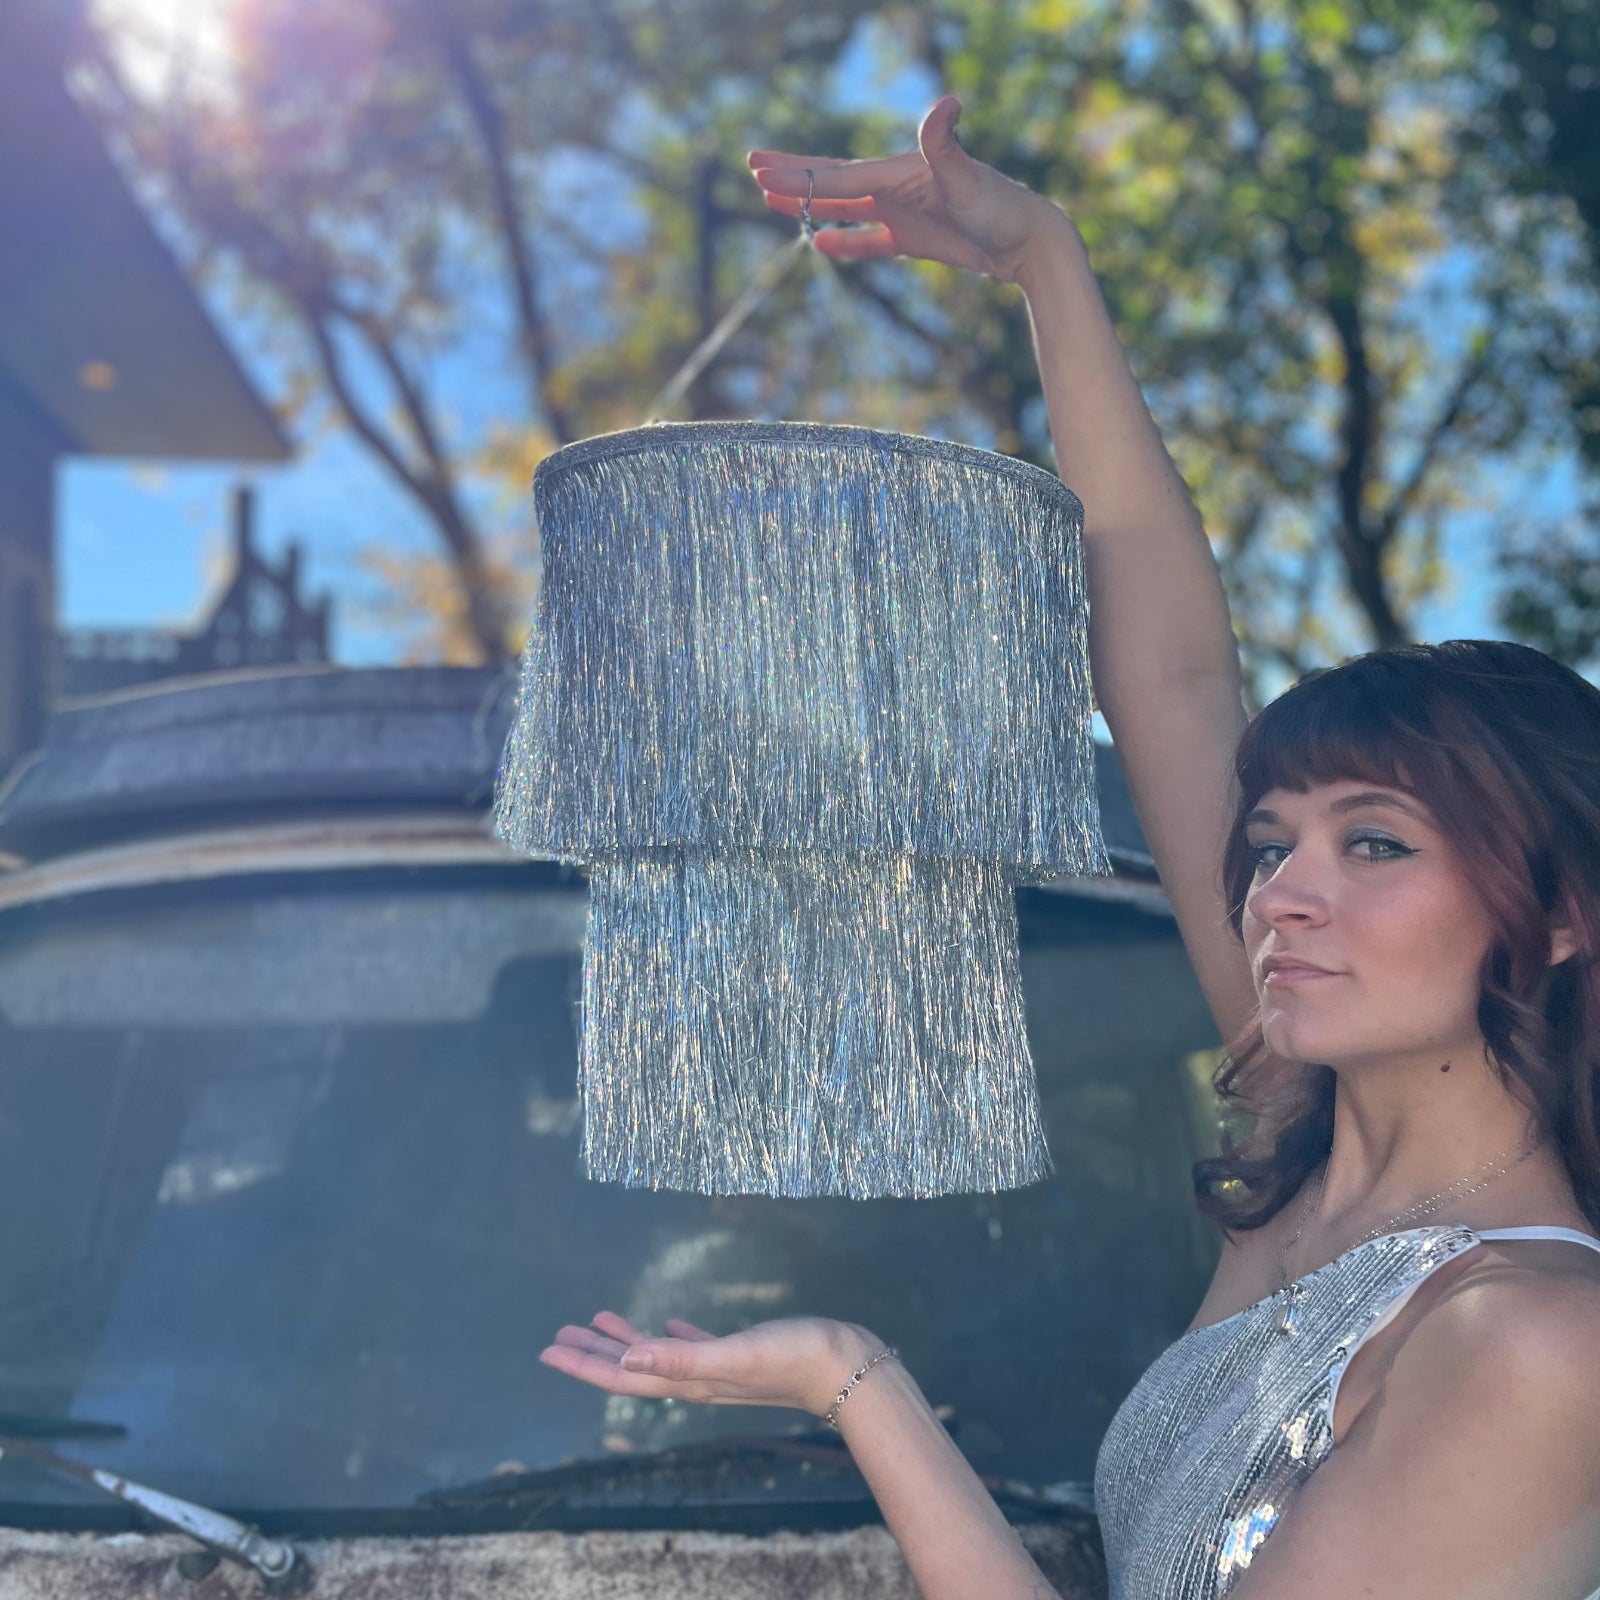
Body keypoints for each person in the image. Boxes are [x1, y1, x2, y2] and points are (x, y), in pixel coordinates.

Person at [537, 95, 1600, 1600]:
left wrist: (860, 1388)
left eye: (1375, 845)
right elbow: (1165, 676)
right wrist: (1045, 263)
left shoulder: (1537, 1342)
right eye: (1274, 840)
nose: (1281, 891)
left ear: (1560, 911)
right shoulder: (1308, 1141)